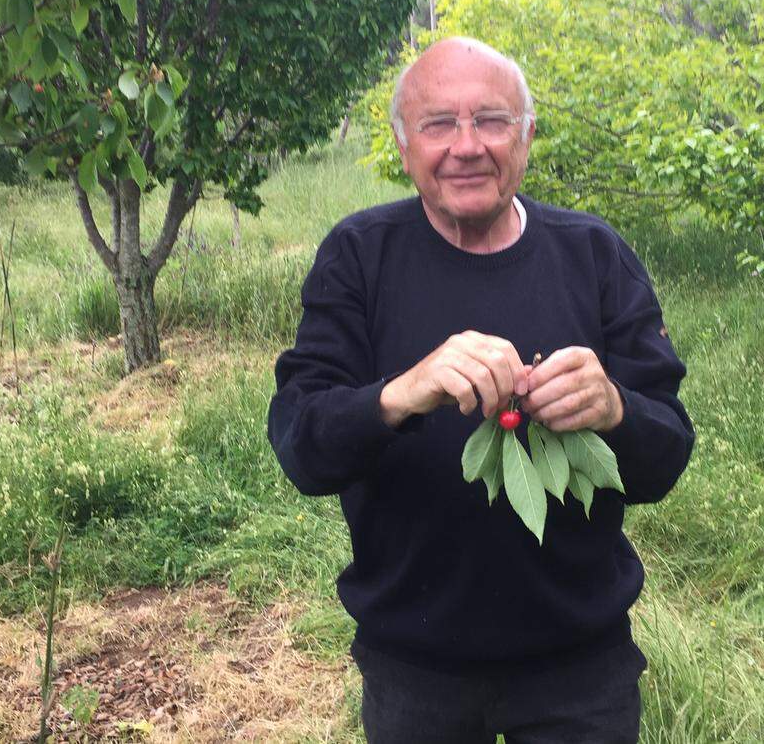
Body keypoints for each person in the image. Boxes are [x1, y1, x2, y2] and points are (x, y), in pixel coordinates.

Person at [267, 37, 694, 742]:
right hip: (415, 671)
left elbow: (668, 452)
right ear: (405, 148)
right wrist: (400, 394)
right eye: (438, 124)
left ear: (526, 138)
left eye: (492, 120)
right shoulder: (359, 257)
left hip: (580, 670)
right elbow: (301, 445)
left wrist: (614, 408)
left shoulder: (593, 253)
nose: (466, 146)